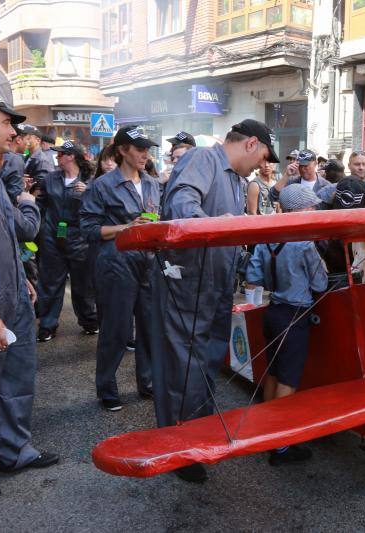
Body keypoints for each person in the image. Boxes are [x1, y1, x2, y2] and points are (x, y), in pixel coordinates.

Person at [151, 119, 279, 484]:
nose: (262, 166)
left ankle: (199, 434)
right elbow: (181, 205)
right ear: (251, 143)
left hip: (216, 284)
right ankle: (180, 449)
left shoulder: (236, 179)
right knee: (183, 368)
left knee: (206, 364)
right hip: (189, 283)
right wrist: (214, 223)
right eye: (263, 156)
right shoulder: (203, 159)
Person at [0, 90, 58, 502]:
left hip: (14, 296)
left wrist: (22, 278)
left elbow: (9, 234)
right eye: (6, 122)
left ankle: (14, 450)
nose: (14, 132)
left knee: (17, 378)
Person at [79, 125, 161, 412]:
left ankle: (147, 382)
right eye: (139, 149)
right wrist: (127, 227)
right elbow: (89, 229)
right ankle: (107, 389)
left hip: (149, 263)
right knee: (116, 329)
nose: (145, 154)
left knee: (149, 328)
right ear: (123, 151)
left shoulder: (153, 184)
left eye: (147, 149)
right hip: (116, 264)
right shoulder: (102, 185)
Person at [245, 183, 328, 466]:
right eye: (311, 207)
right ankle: (281, 447)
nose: (314, 210)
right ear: (300, 210)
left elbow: (254, 276)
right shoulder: (304, 243)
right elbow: (320, 283)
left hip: (273, 311)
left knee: (273, 373)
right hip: (294, 315)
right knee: (288, 381)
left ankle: (266, 433)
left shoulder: (267, 239)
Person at [35, 140, 99, 342]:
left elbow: (99, 208)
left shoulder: (91, 181)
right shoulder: (50, 179)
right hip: (53, 237)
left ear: (72, 156)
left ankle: (89, 321)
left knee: (83, 285)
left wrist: (87, 192)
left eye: (61, 154)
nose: (57, 156)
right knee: (50, 283)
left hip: (80, 239)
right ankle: (47, 325)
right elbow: (40, 204)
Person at [0, 124, 26, 203]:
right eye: (27, 139)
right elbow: (15, 194)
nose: (28, 143)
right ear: (18, 139)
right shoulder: (15, 159)